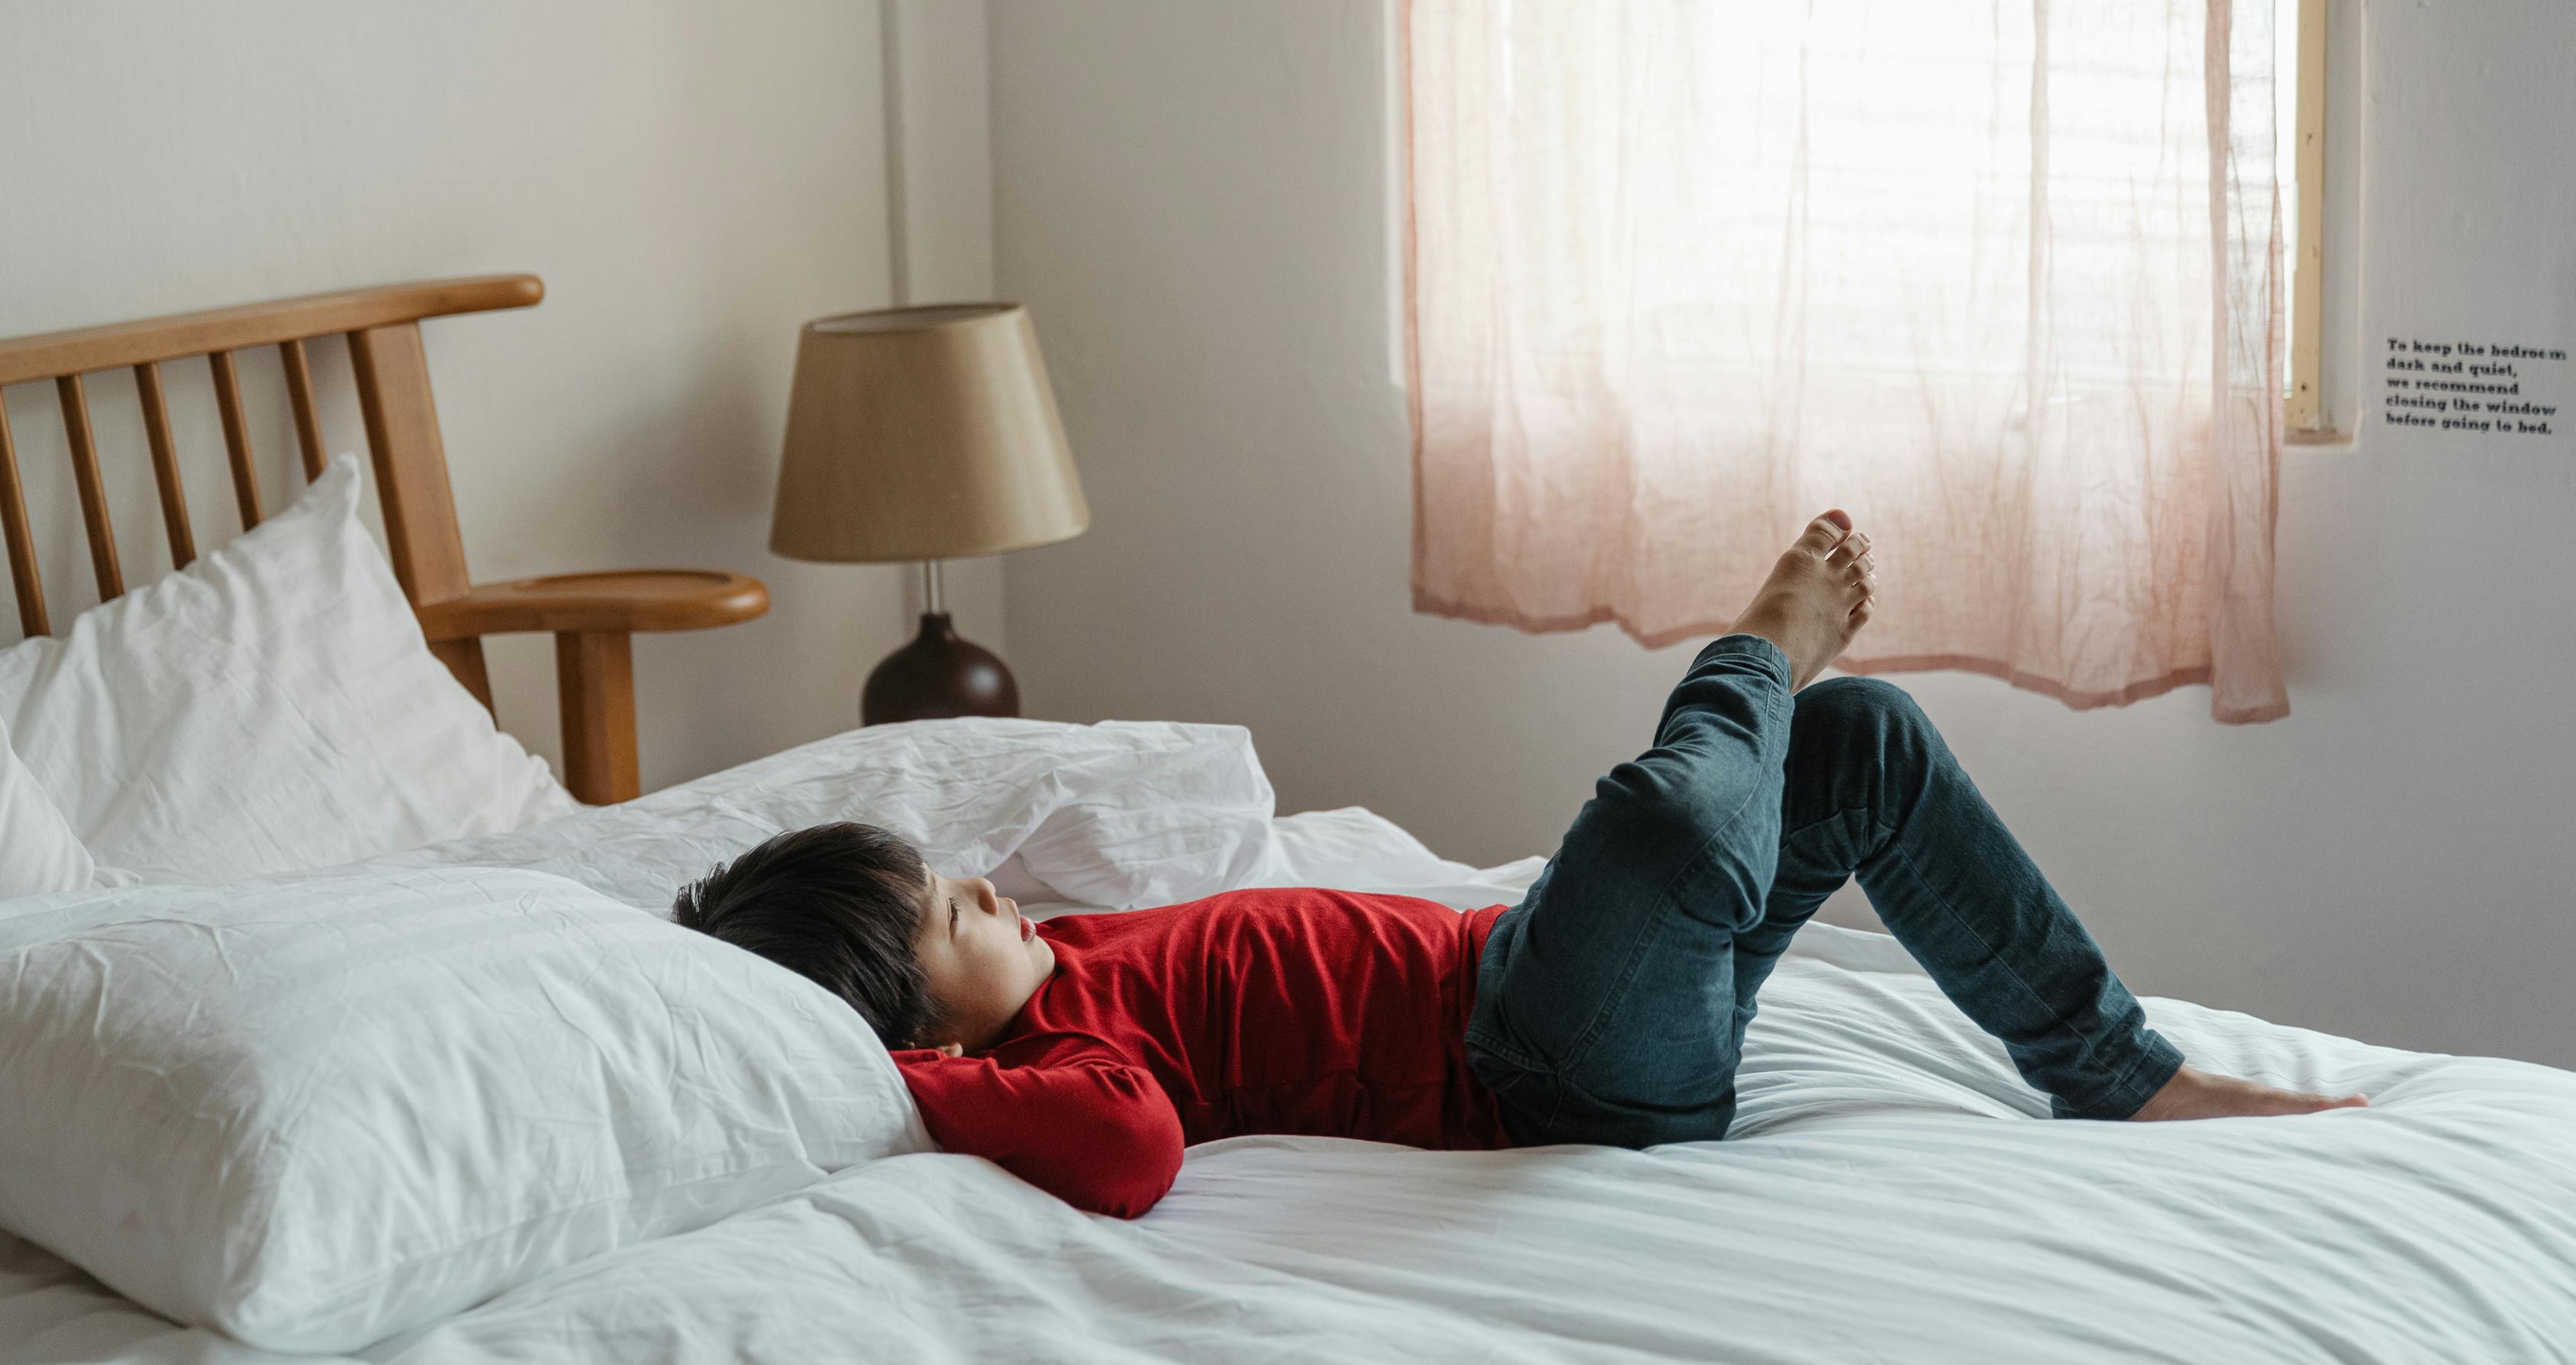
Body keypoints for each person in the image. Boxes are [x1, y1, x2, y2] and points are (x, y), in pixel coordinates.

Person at [673, 512, 2365, 1218]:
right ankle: (1752, 646)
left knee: (1867, 748)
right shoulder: (1054, 1062)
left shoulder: (1061, 957)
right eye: (935, 915)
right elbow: (1126, 1157)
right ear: (925, 1029)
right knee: (1658, 820)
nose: (973, 886)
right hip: (1543, 1057)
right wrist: (912, 1075)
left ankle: (2110, 1070)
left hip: (1533, 971)